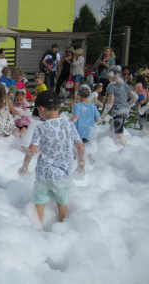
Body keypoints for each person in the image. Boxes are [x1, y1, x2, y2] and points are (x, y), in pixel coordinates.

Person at [19, 90, 86, 223]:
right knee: (62, 203)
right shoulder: (69, 125)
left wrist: (25, 167)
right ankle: (61, 224)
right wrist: (81, 166)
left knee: (40, 202)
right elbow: (80, 147)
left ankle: (37, 226)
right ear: (59, 107)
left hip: (44, 174)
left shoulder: (41, 128)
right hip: (63, 175)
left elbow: (31, 150)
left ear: (42, 109)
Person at [101, 66, 138, 146]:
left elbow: (110, 103)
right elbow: (135, 97)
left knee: (118, 134)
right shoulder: (124, 84)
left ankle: (126, 149)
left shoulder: (111, 86)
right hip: (125, 112)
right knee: (112, 129)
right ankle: (106, 141)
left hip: (118, 112)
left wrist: (104, 115)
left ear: (110, 76)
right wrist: (128, 105)